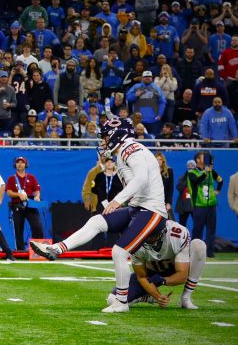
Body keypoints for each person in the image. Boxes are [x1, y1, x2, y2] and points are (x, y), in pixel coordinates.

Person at [33, 118, 170, 313]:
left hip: (152, 211)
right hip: (138, 207)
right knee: (96, 221)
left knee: (119, 251)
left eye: (106, 137)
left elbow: (141, 179)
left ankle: (122, 302)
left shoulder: (131, 149)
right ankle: (57, 249)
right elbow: (137, 184)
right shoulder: (123, 154)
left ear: (117, 135)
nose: (104, 141)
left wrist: (117, 200)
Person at [114, 219, 207, 311]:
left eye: (151, 236)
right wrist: (158, 296)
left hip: (173, 267)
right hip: (151, 272)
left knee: (199, 245)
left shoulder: (176, 233)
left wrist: (163, 281)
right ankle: (145, 297)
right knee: (113, 300)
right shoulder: (134, 240)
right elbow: (142, 276)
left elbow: (182, 276)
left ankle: (186, 297)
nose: (148, 239)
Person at [183, 153, 223, 258]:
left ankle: (210, 252)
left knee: (211, 229)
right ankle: (195, 252)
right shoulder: (191, 172)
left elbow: (220, 180)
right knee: (198, 229)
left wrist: (218, 190)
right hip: (199, 205)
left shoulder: (210, 171)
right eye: (202, 157)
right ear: (197, 160)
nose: (205, 159)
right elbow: (196, 181)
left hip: (211, 205)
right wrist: (205, 172)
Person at [3, 156, 44, 252]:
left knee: (37, 226)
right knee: (18, 228)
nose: (20, 164)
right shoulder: (12, 178)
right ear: (15, 165)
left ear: (26, 165)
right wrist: (18, 194)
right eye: (18, 162)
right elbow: (8, 192)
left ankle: (37, 249)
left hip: (30, 203)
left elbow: (37, 190)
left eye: (22, 162)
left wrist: (37, 196)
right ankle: (20, 250)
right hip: (17, 204)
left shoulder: (31, 177)